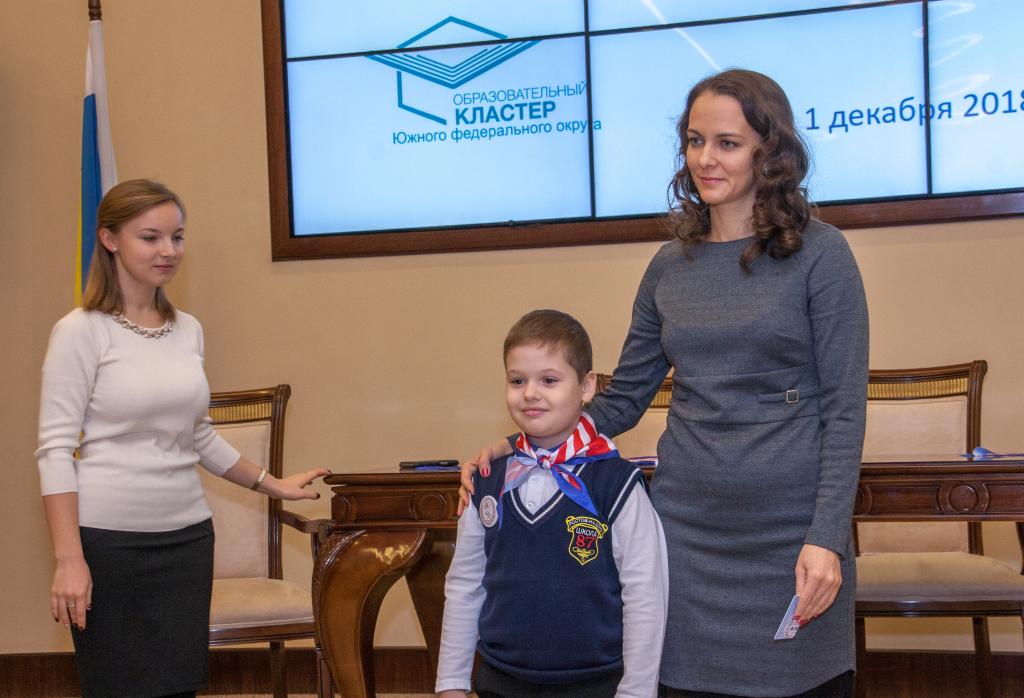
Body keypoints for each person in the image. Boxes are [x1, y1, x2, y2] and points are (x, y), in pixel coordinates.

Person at [461, 70, 868, 697]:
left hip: (791, 535)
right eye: (695, 140)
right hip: (685, 536)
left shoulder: (822, 253)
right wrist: (520, 451)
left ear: (770, 152)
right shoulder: (668, 266)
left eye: (728, 143)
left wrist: (827, 538)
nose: (706, 159)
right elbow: (624, 399)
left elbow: (843, 411)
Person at [35, 178, 329, 698]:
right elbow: (55, 450)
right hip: (110, 545)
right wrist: (69, 559)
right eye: (150, 237)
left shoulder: (188, 329)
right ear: (109, 239)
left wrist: (273, 484)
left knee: (178, 689)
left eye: (177, 237)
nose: (168, 251)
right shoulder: (81, 331)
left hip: (187, 541)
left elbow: (198, 436)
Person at [437, 309, 669, 698]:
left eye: (549, 380)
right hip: (501, 679)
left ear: (587, 387)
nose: (530, 392)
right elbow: (465, 584)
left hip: (597, 684)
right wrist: (451, 682)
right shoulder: (487, 481)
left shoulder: (617, 485)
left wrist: (636, 692)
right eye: (517, 380)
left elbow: (646, 596)